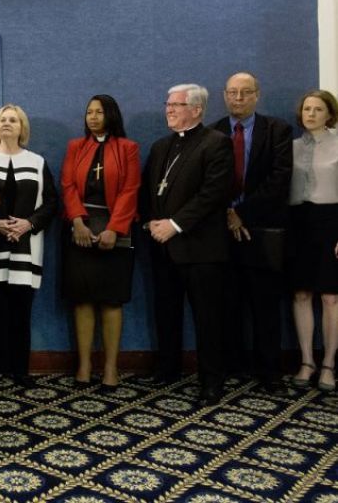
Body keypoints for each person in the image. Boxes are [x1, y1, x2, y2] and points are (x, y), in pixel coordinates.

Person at [141, 83, 233, 407]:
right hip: (162, 245)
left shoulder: (217, 144)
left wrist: (174, 225)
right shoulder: (160, 146)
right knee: (166, 312)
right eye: (168, 104)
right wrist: (151, 222)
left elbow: (213, 194)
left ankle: (211, 380)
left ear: (196, 109)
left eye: (176, 105)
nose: (169, 109)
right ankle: (168, 368)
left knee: (208, 318)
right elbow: (151, 190)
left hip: (201, 249)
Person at [206, 72, 292, 394]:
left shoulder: (277, 131)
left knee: (265, 305)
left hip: (261, 230)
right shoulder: (212, 132)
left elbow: (279, 179)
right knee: (227, 303)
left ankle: (270, 372)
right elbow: (209, 182)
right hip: (222, 231)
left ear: (257, 95)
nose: (238, 98)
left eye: (245, 93)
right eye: (232, 92)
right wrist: (228, 214)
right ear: (224, 95)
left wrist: (241, 213)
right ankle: (232, 365)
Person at [61, 95, 140, 391]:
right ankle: (83, 365)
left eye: (99, 112)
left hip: (114, 231)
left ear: (112, 115)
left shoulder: (128, 148)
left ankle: (110, 368)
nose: (92, 117)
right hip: (79, 228)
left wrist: (115, 229)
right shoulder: (75, 147)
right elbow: (67, 185)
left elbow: (131, 189)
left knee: (111, 299)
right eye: (89, 112)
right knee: (82, 299)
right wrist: (78, 222)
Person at [0, 104, 57, 388]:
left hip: (26, 244)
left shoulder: (36, 161)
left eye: (13, 120)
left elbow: (50, 203)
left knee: (21, 311)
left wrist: (28, 224)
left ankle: (20, 370)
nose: (7, 123)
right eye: (2, 120)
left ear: (22, 127)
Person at [288, 90, 338, 392]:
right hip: (298, 222)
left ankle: (329, 363)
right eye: (307, 109)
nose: (311, 114)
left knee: (331, 297)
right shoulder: (291, 147)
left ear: (330, 114)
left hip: (331, 221)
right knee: (301, 294)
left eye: (318, 109)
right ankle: (307, 361)